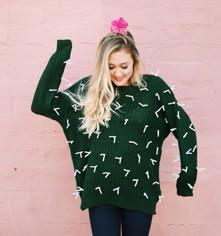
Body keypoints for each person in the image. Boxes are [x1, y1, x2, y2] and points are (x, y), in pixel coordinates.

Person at [31, 17, 198, 236]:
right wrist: (61, 55)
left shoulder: (154, 89)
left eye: (123, 66)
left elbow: (185, 128)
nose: (118, 73)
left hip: (141, 192)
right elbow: (42, 104)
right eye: (110, 67)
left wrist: (187, 176)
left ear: (135, 61)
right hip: (99, 191)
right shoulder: (90, 89)